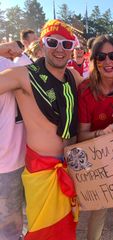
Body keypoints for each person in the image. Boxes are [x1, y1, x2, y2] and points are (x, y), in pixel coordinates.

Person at [0, 19, 82, 240]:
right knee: (42, 233)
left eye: (66, 44)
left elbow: (100, 97)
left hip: (70, 167)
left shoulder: (73, 77)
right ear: (42, 44)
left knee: (66, 231)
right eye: (53, 42)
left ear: (72, 48)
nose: (59, 49)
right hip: (40, 170)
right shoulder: (22, 75)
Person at [77, 35, 113, 240]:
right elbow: (81, 136)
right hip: (98, 156)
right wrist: (103, 132)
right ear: (94, 60)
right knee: (100, 208)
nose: (108, 62)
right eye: (101, 56)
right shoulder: (85, 90)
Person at [0, 41, 25, 240]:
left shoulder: (19, 62)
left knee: (14, 223)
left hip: (29, 158)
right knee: (9, 226)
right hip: (6, 163)